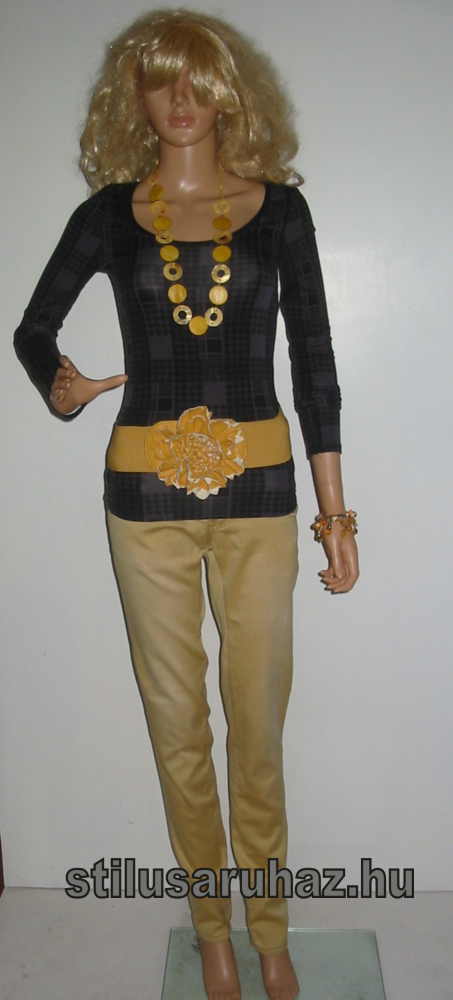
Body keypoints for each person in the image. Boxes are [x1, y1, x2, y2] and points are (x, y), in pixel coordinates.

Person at [13, 9, 359, 1000]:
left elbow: (315, 365)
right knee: (177, 730)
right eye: (158, 81)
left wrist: (335, 517)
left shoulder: (280, 213)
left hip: (261, 494)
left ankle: (271, 928)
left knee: (257, 726)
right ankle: (213, 929)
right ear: (132, 98)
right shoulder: (109, 215)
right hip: (143, 497)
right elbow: (33, 328)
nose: (178, 100)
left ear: (228, 94)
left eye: (196, 81)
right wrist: (63, 384)